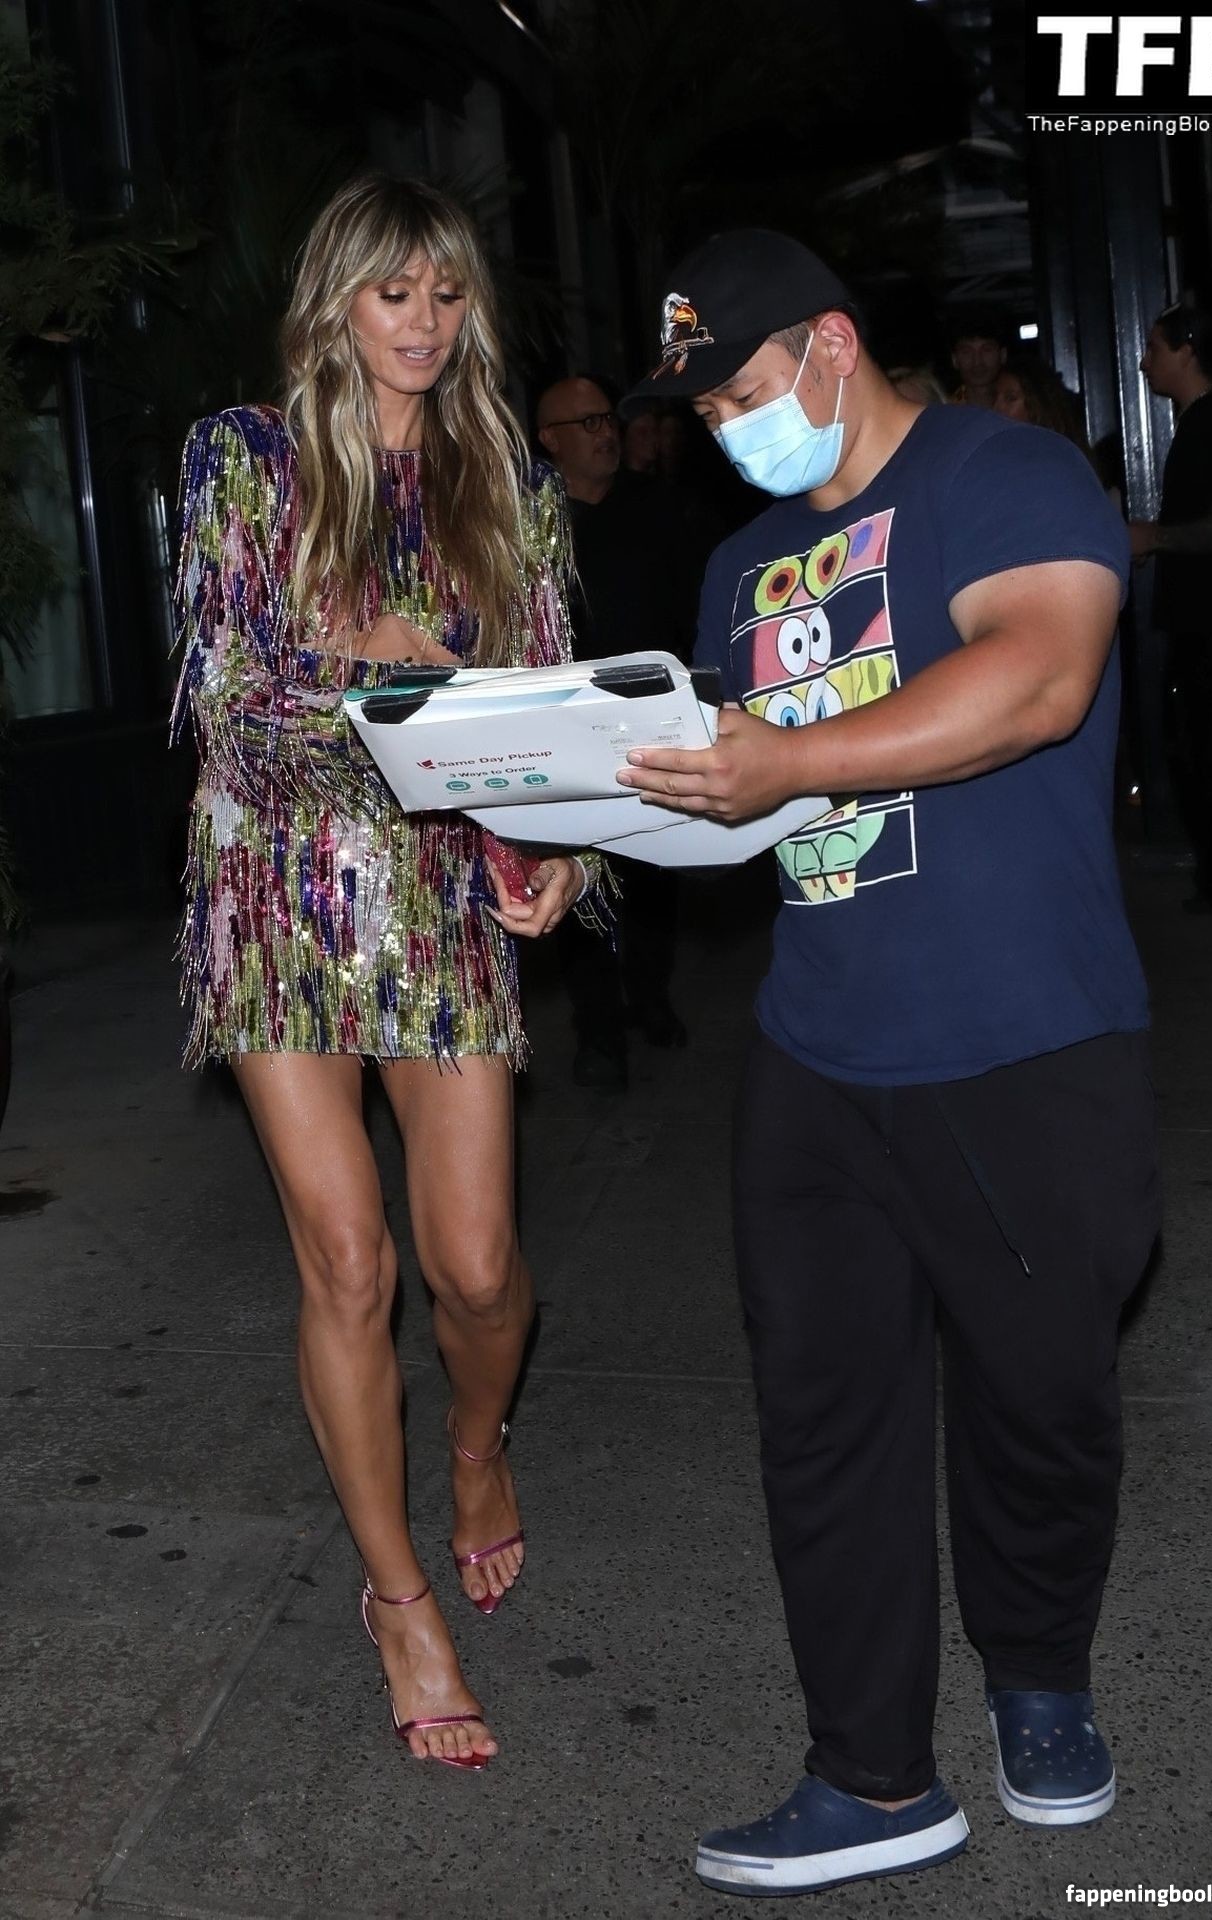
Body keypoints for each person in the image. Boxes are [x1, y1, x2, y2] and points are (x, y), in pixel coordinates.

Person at [619, 229, 1158, 1895]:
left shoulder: (1005, 476)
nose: (729, 428)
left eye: (744, 388)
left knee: (1039, 1401)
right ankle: (870, 1776)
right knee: (823, 1417)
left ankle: (1039, 1675)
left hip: (1023, 1034)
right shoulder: (741, 568)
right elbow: (732, 787)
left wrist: (790, 763)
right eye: (704, 410)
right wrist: (583, 853)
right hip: (818, 1044)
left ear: (833, 345)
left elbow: (1041, 676)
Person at [171, 175, 597, 1771]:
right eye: (392, 291)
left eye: (447, 293)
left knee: (474, 1268)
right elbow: (233, 709)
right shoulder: (245, 458)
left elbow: (545, 709)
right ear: (331, 301)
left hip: (443, 895)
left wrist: (568, 847)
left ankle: (478, 1444)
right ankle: (398, 1597)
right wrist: (403, 669)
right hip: (273, 896)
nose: (422, 323)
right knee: (348, 1265)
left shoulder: (507, 481)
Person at [536, 375, 696, 1085]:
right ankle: (598, 1029)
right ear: (551, 440)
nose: (606, 433)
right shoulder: (531, 524)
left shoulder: (657, 509)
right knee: (579, 875)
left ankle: (651, 997)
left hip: (655, 719)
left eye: (609, 419)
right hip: (570, 727)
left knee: (654, 871)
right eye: (588, 422)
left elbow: (689, 607)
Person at [1131, 303, 1212, 911]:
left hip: (1211, 621)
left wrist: (1154, 536)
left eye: (1155, 346)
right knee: (1206, 747)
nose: (1144, 361)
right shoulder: (1202, 422)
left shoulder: (1209, 424)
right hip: (1203, 618)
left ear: (1187, 350)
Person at [948, 313, 1007, 408]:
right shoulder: (944, 410)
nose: (977, 362)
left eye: (986, 350)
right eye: (967, 352)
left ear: (1003, 355)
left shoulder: (1018, 409)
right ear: (954, 359)